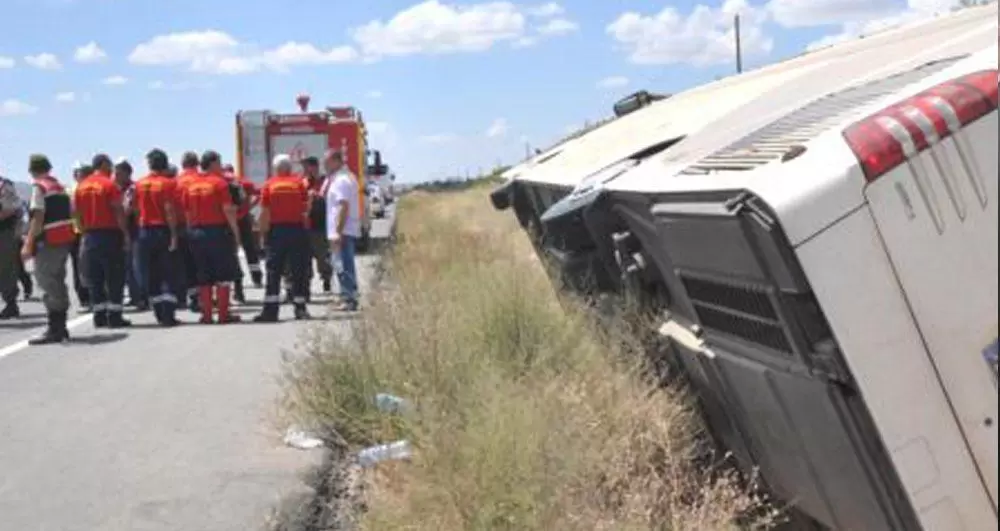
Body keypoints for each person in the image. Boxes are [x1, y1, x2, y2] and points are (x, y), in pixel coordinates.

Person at [180, 150, 242, 324]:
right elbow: (228, 210)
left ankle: (206, 315)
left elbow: (186, 212)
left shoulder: (190, 186)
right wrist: (236, 233)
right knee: (223, 274)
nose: (221, 166)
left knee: (203, 274)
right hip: (217, 232)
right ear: (213, 163)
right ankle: (223, 315)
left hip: (195, 232)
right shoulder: (219, 184)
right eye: (219, 163)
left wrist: (190, 231)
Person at [21, 154, 76, 344]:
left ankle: (55, 329)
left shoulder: (40, 187)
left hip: (49, 241)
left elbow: (38, 216)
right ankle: (60, 327)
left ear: (32, 170)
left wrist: (28, 244)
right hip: (64, 240)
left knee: (46, 281)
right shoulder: (59, 187)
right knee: (57, 280)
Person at [74, 154, 132, 328]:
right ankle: (114, 317)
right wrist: (126, 234)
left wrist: (84, 232)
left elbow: (76, 213)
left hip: (90, 235)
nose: (112, 168)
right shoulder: (109, 185)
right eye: (110, 164)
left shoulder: (81, 186)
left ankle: (99, 316)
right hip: (110, 235)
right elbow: (118, 211)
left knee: (95, 278)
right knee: (114, 276)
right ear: (103, 164)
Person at [253, 155, 310, 322]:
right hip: (297, 230)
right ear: (290, 168)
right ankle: (300, 308)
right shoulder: (299, 184)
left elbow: (265, 213)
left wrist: (263, 234)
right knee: (298, 270)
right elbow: (305, 210)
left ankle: (271, 311)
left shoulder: (269, 185)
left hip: (277, 232)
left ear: (276, 169)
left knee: (274, 271)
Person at [134, 149, 182, 326]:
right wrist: (174, 234)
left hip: (144, 231)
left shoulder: (139, 184)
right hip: (162, 230)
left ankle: (158, 314)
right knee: (167, 273)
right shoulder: (168, 184)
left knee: (152, 274)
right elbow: (169, 209)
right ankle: (168, 315)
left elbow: (135, 209)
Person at [323, 150, 361, 312]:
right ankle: (346, 296)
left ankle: (349, 298)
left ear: (336, 161)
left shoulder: (342, 180)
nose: (325, 165)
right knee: (341, 264)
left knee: (344, 264)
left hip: (342, 230)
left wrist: (338, 231)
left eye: (327, 162)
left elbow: (343, 206)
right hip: (341, 230)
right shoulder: (342, 178)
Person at [222, 163, 261, 303]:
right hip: (243, 219)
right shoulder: (243, 182)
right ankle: (257, 278)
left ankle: (238, 290)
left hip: (227, 221)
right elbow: (258, 194)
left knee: (232, 254)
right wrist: (249, 207)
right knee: (250, 249)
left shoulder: (221, 183)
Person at [115, 157, 147, 310]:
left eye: (118, 173)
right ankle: (135, 296)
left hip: (134, 230)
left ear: (127, 173)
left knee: (136, 266)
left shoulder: (133, 188)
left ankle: (141, 297)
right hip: (120, 231)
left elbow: (128, 210)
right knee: (126, 267)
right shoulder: (116, 189)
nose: (115, 176)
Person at [175, 152, 202, 313]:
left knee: (187, 265)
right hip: (201, 226)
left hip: (181, 228)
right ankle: (204, 298)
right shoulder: (202, 179)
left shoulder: (176, 181)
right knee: (203, 263)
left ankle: (193, 298)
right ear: (197, 163)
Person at [302, 156, 333, 294]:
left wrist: (318, 196)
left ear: (314, 167)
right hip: (306, 225)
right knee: (305, 257)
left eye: (306, 166)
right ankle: (306, 282)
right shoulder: (302, 182)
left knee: (323, 255)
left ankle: (326, 279)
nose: (304, 169)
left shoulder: (325, 181)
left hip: (321, 225)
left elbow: (331, 198)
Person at [0, 166, 24, 319]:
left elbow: (9, 209)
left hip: (4, 233)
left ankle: (11, 304)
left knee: (6, 269)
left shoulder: (4, 185)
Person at [68, 162, 92, 312]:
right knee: (79, 268)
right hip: (77, 233)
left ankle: (95, 297)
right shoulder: (70, 191)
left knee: (91, 267)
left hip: (91, 231)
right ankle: (85, 299)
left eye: (83, 172)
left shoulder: (91, 189)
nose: (80, 175)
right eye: (78, 172)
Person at [14, 198, 34, 300]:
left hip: (14, 238)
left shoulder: (15, 202)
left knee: (18, 267)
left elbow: (25, 220)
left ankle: (27, 288)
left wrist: (24, 235)